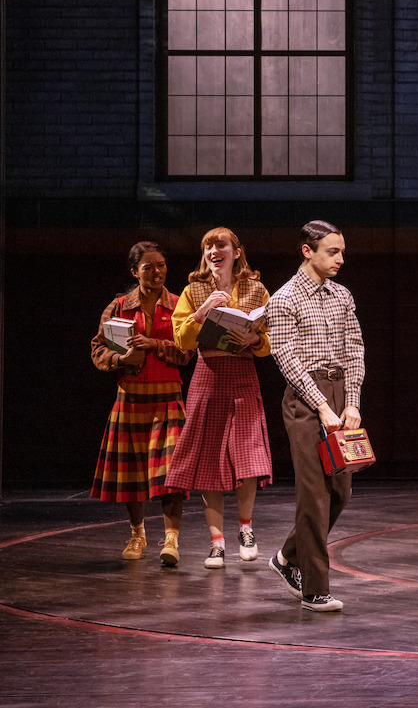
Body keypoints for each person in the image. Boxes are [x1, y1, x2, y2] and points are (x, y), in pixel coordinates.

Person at [265, 220, 364, 612]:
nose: (341, 258)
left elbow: (354, 349)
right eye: (332, 251)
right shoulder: (284, 299)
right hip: (306, 400)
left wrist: (351, 402)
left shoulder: (342, 295)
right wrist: (322, 406)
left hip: (339, 392)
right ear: (308, 251)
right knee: (314, 494)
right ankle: (315, 589)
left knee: (341, 491)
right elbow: (286, 359)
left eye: (341, 251)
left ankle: (288, 556)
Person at [165, 227, 273, 569]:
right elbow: (181, 341)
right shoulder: (193, 290)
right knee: (209, 457)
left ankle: (245, 528)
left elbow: (269, 342)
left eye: (220, 245)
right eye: (208, 246)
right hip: (208, 376)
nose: (214, 251)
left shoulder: (256, 289)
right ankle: (217, 542)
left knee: (249, 452)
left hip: (242, 374)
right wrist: (203, 312)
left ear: (236, 251)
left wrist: (255, 341)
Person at [90, 241, 194, 565]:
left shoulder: (179, 305)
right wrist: (121, 358)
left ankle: (172, 540)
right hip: (131, 398)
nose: (157, 271)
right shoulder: (119, 306)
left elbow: (188, 352)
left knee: (171, 472)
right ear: (135, 271)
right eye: (148, 267)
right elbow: (97, 350)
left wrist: (156, 345)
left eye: (161, 265)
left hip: (167, 398)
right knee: (133, 472)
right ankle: (137, 533)